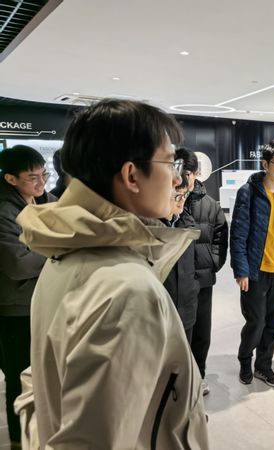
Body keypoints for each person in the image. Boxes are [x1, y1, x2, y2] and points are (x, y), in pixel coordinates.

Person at [16, 99, 209, 448]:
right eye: (170, 163)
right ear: (132, 175)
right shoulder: (126, 290)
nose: (178, 178)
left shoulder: (63, 253)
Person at [231, 139, 274, 388]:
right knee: (256, 322)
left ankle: (263, 366)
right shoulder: (248, 192)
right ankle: (244, 360)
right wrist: (241, 270)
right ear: (265, 164)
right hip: (255, 271)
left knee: (272, 323)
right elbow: (238, 234)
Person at [0, 145, 54, 446]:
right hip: (15, 308)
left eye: (44, 174)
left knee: (44, 374)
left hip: (44, 300)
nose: (41, 182)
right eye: (33, 177)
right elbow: (18, 263)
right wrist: (57, 251)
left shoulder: (45, 200)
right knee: (20, 375)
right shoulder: (4, 210)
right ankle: (20, 440)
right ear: (10, 178)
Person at [178, 147, 228, 397]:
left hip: (202, 279)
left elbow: (220, 237)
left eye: (186, 173)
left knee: (201, 332)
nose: (181, 178)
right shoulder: (166, 201)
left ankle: (199, 376)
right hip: (175, 281)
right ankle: (179, 381)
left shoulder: (210, 205)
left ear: (195, 173)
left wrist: (212, 263)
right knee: (178, 332)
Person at [161, 176, 199, 343]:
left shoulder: (188, 223)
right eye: (177, 195)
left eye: (184, 195)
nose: (182, 200)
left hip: (186, 309)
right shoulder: (152, 228)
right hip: (162, 313)